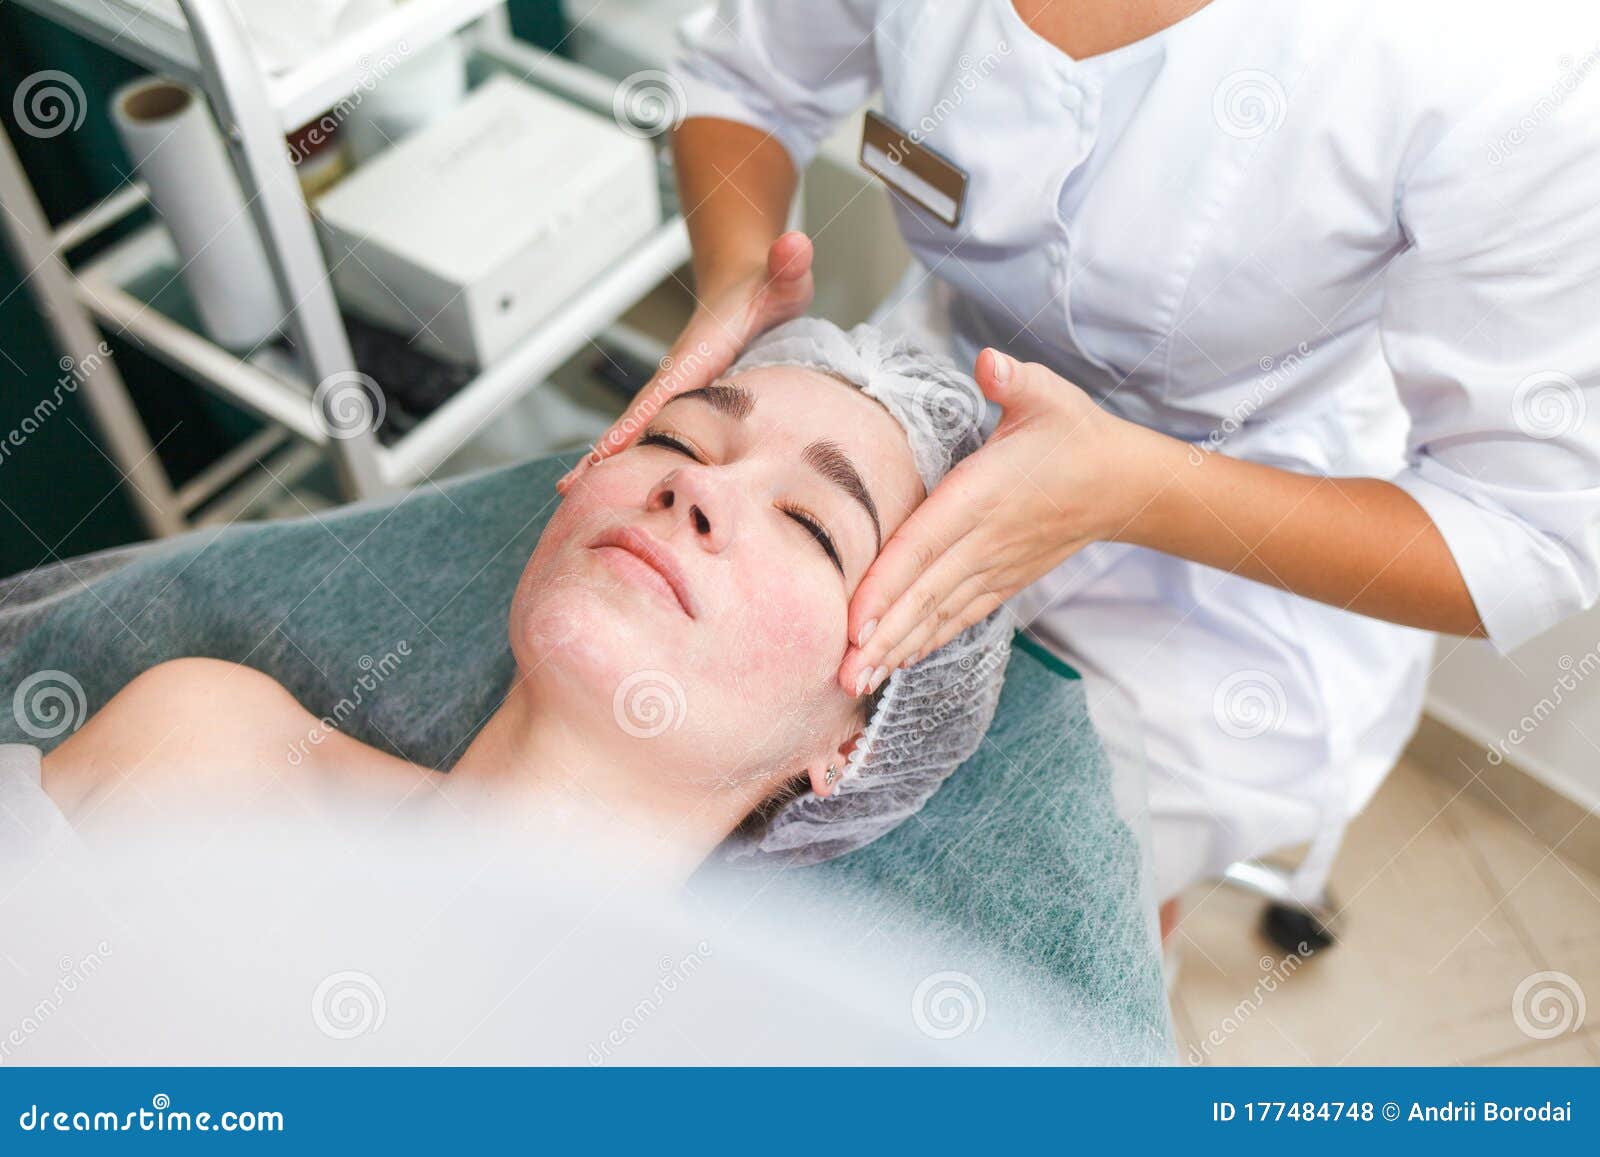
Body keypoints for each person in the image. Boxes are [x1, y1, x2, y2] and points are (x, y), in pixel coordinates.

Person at [560, 0, 1600, 908]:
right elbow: (748, 80)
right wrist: (740, 276)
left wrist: (1131, 489)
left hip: (1240, 536)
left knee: (1053, 888)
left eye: (804, 520)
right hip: (940, 391)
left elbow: (1520, 535)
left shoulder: (1493, 54)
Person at [17, 322, 1013, 879]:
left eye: (810, 523)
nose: (696, 487)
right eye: (677, 441)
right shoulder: (206, 742)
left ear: (852, 741)